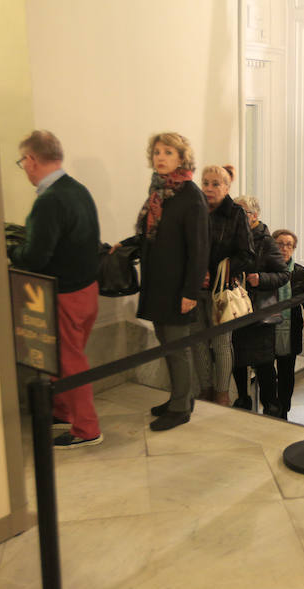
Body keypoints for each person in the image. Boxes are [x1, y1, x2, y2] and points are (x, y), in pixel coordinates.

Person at [10, 130, 103, 448]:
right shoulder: (78, 189)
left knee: (68, 360)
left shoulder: (49, 200)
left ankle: (86, 428)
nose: (24, 168)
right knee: (64, 357)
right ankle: (62, 412)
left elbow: (36, 256)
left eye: (22, 161)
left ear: (32, 160)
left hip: (64, 293)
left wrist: (12, 251)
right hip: (87, 289)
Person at [116, 132, 209, 432]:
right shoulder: (158, 192)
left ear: (182, 158)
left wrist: (191, 292)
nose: (160, 157)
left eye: (168, 152)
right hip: (157, 283)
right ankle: (177, 398)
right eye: (157, 152)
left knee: (178, 347)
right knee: (167, 344)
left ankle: (181, 407)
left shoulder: (191, 196)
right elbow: (150, 236)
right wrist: (125, 244)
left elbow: (199, 249)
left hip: (178, 287)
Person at [191, 165, 253, 407]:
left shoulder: (236, 213)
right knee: (197, 340)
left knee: (221, 343)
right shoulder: (195, 210)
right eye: (205, 182)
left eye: (216, 183)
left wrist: (218, 269)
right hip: (195, 288)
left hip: (222, 291)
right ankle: (205, 388)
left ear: (227, 187)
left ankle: (222, 392)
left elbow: (247, 254)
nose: (209, 188)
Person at [231, 196, 289, 415]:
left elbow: (284, 274)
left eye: (241, 213)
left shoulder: (266, 240)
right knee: (238, 359)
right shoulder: (236, 238)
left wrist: (261, 279)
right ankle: (243, 398)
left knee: (264, 363)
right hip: (237, 309)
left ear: (254, 216)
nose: (236, 217)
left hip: (260, 313)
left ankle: (270, 404)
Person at [271, 229, 304, 421]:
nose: (284, 248)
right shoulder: (266, 268)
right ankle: (271, 406)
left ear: (293, 249)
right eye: (280, 243)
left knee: (287, 373)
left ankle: (283, 410)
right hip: (267, 329)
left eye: (289, 245)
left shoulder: (299, 272)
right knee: (267, 371)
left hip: (290, 329)